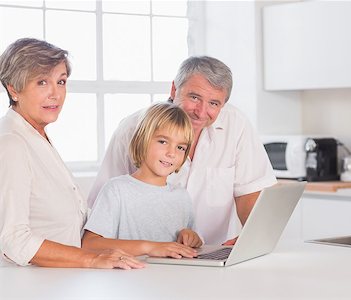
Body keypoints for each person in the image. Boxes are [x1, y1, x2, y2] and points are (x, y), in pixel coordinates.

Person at [88, 56, 277, 245]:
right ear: (174, 90)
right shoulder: (133, 128)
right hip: (136, 260)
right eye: (194, 98)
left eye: (214, 103)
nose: (201, 112)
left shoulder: (236, 125)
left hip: (205, 254)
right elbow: (100, 213)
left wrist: (251, 239)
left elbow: (251, 191)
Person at [0, 38, 144, 269]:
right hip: (32, 286)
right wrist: (93, 259)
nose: (55, 94)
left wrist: (152, 244)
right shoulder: (11, 143)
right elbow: (13, 240)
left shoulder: (36, 136)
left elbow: (72, 222)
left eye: (61, 81)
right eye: (42, 82)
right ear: (13, 89)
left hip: (63, 280)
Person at [82, 103, 202, 258]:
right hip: (129, 278)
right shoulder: (117, 190)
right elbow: (90, 244)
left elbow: (193, 242)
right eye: (163, 142)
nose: (171, 153)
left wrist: (192, 238)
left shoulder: (182, 196)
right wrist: (149, 247)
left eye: (180, 147)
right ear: (141, 140)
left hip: (172, 279)